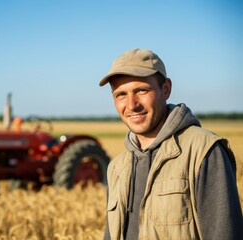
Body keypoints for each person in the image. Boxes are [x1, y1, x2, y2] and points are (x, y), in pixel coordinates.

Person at [99, 48, 243, 240]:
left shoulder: (204, 151)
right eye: (121, 95)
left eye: (142, 90)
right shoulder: (116, 168)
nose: (132, 105)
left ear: (166, 89)